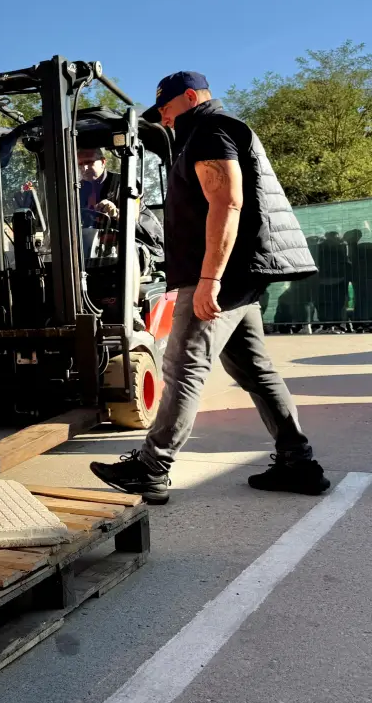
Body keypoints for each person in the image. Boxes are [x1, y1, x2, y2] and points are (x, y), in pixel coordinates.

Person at [91, 71, 327, 504]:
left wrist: (209, 280)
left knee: (183, 368)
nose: (162, 114)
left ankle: (152, 466)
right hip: (235, 275)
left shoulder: (209, 130)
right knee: (256, 372)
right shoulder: (202, 132)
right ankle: (299, 463)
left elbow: (227, 201)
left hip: (222, 276)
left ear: (192, 97)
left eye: (166, 106)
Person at [77, 147, 119, 227]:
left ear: (103, 162)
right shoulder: (76, 189)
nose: (84, 168)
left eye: (89, 162)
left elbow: (135, 218)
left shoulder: (124, 183)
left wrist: (116, 213)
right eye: (80, 164)